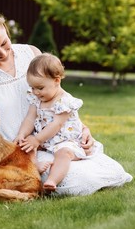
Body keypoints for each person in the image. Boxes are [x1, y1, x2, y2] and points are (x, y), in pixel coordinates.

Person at [0, 9, 132, 196]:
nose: (3, 52)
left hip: (52, 139)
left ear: (6, 31)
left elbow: (58, 97)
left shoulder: (31, 54)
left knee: (107, 168)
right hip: (16, 154)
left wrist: (81, 128)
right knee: (75, 180)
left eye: (4, 43)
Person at [15, 53, 93, 192]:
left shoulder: (65, 101)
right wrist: (22, 134)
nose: (36, 92)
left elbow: (56, 125)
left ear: (56, 81)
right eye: (32, 88)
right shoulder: (37, 98)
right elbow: (30, 118)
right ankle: (35, 166)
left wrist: (37, 139)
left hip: (66, 140)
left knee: (64, 154)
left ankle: (53, 179)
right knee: (25, 144)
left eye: (40, 88)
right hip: (45, 141)